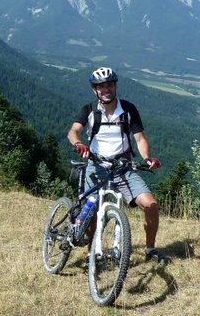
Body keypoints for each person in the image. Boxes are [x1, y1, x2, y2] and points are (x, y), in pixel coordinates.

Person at [67, 66, 171, 263]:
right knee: (91, 211)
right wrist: (79, 144)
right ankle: (91, 252)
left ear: (115, 86)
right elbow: (73, 131)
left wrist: (148, 158)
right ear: (94, 90)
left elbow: (139, 138)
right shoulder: (89, 110)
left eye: (109, 85)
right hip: (96, 167)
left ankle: (150, 250)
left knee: (151, 205)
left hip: (123, 168)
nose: (106, 89)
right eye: (101, 86)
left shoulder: (128, 109)